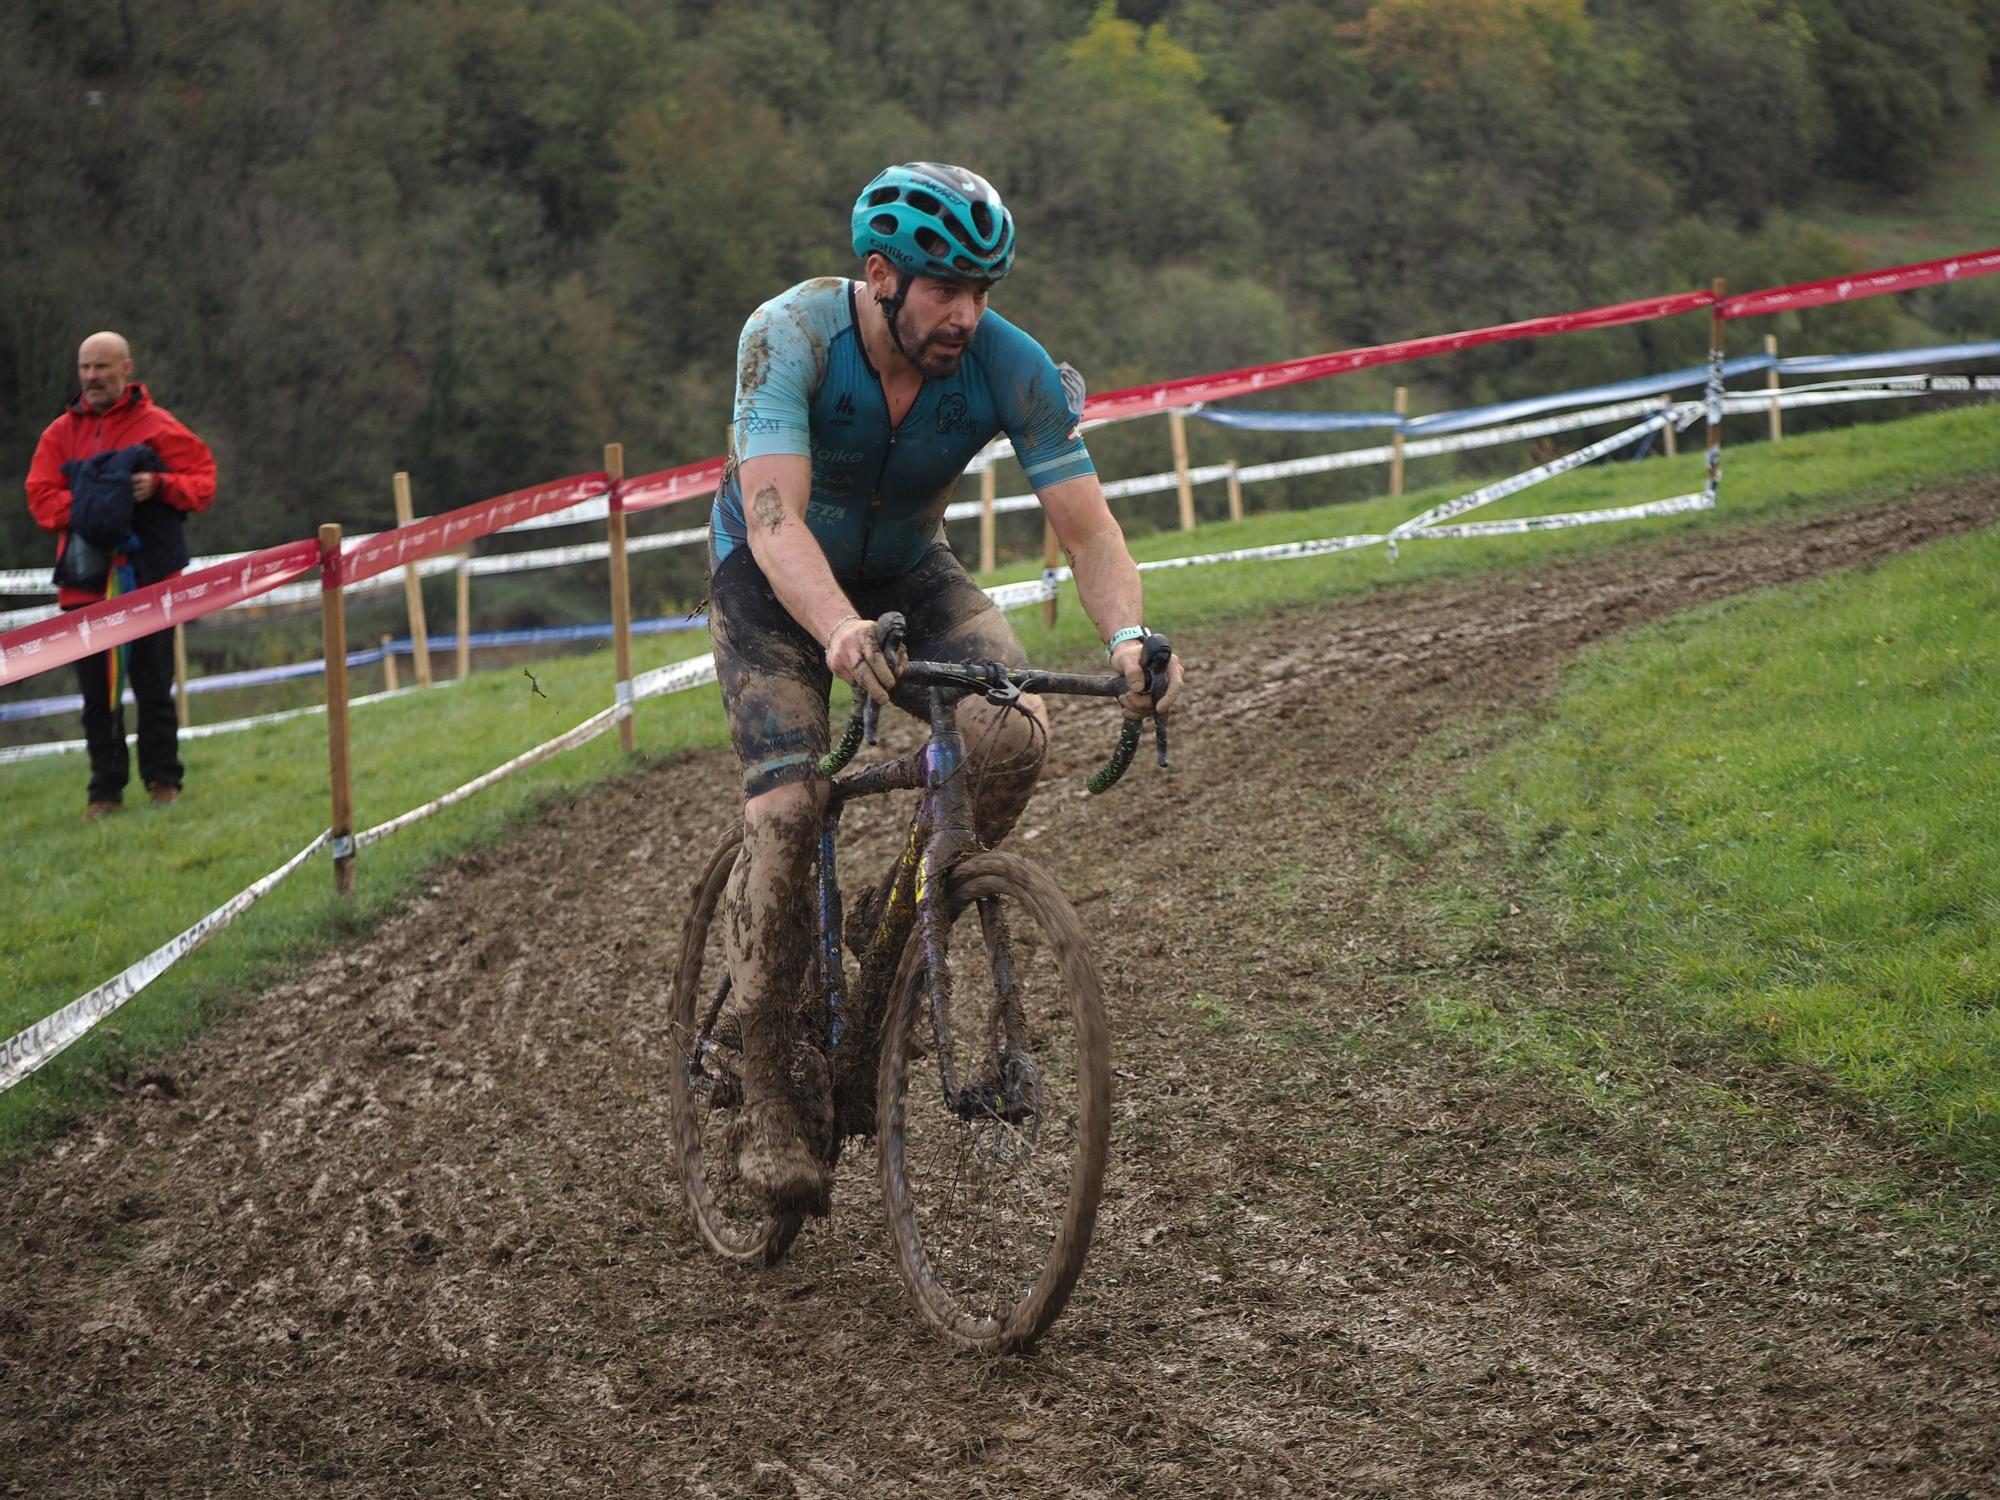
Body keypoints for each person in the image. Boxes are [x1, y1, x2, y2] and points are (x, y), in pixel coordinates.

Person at [706, 161, 1185, 1209]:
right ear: (879, 275)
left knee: (1013, 733)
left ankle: (885, 950)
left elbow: (1089, 527)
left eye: (982, 291)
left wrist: (1130, 638)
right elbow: (776, 519)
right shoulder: (786, 339)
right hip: (773, 581)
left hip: (911, 572)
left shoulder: (1003, 366)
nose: (965, 313)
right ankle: (767, 1101)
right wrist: (833, 629)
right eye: (942, 288)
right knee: (788, 807)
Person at [25, 331, 217, 820]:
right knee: (97, 694)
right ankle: (105, 793)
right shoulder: (57, 435)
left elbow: (202, 483)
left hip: (149, 579)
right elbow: (40, 498)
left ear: (126, 368)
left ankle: (163, 782)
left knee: (154, 686)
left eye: (102, 367)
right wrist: (98, 503)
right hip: (84, 584)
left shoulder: (159, 426)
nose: (92, 377)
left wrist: (159, 485)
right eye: (85, 368)